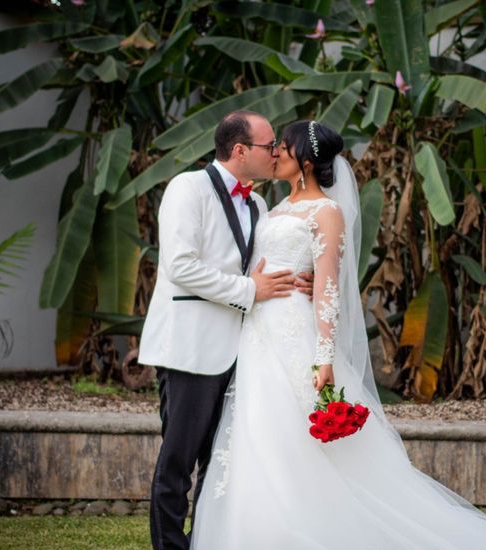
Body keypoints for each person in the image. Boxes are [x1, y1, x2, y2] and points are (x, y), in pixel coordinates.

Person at [191, 120, 486, 549]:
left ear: (305, 162)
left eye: (283, 150)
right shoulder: (270, 208)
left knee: (293, 440)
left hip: (295, 334)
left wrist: (323, 356)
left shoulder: (327, 212)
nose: (275, 155)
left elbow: (327, 289)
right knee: (254, 434)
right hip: (257, 334)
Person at [138, 110, 313, 550]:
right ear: (240, 151)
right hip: (190, 348)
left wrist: (298, 280)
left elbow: (261, 268)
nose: (275, 153)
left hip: (241, 354)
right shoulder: (187, 188)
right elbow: (180, 265)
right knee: (177, 463)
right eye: (268, 146)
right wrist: (248, 289)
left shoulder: (256, 203)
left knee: (219, 467)